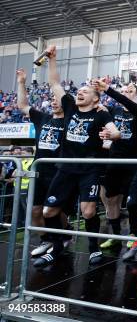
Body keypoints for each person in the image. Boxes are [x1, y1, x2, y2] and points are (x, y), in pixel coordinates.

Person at [34, 53, 122, 268]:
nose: (80, 93)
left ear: (95, 99)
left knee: (88, 211)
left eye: (85, 92)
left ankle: (93, 248)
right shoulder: (70, 107)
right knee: (48, 211)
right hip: (64, 169)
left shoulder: (101, 114)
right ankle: (57, 247)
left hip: (89, 170)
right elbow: (55, 82)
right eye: (79, 91)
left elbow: (115, 132)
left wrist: (111, 135)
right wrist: (53, 59)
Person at [15, 62, 68, 257]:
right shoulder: (42, 118)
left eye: (57, 99)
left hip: (59, 172)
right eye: (52, 99)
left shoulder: (69, 120)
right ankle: (47, 240)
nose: (54, 102)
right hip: (39, 172)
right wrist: (21, 83)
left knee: (55, 211)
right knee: (36, 211)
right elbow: (22, 105)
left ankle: (63, 237)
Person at [94, 81, 137, 251]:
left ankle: (135, 234)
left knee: (133, 202)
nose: (126, 93)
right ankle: (115, 235)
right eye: (123, 91)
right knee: (111, 199)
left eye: (130, 91)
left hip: (134, 162)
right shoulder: (113, 111)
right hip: (114, 160)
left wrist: (108, 90)